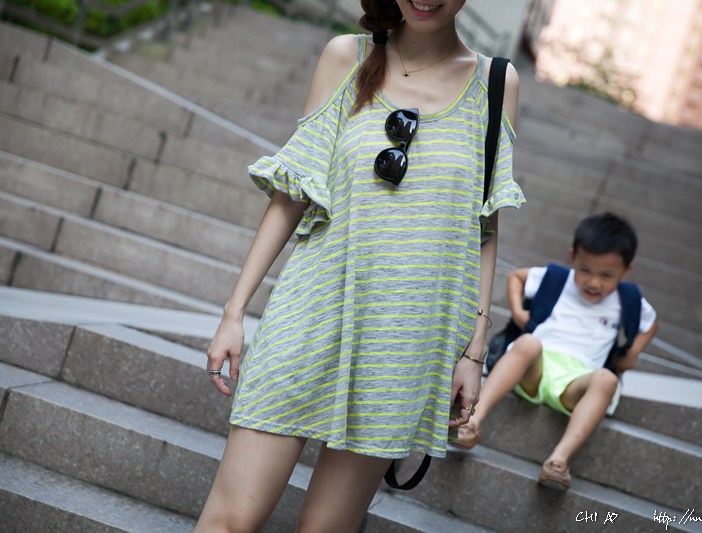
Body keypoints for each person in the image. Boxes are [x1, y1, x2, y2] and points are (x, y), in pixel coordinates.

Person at [194, 1, 525, 530]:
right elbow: (292, 192)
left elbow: (483, 226)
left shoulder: (496, 84)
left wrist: (474, 349)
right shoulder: (345, 57)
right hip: (310, 315)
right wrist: (234, 313)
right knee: (230, 519)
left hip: (405, 345)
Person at [455, 212, 658, 490]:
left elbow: (651, 323)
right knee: (528, 343)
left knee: (607, 379)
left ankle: (558, 460)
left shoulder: (627, 299)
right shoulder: (558, 278)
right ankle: (473, 422)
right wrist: (519, 313)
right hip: (534, 370)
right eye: (585, 270)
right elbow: (516, 277)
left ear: (626, 271)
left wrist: (633, 352)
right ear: (572, 257)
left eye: (606, 275)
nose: (593, 282)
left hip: (577, 383)